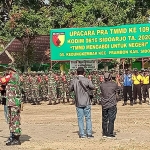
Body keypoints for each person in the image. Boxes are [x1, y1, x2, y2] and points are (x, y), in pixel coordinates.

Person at [69, 67, 95, 138]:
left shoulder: (74, 81)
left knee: (80, 118)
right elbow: (93, 87)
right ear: (84, 73)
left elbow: (70, 89)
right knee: (88, 118)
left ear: (77, 73)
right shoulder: (87, 80)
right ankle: (89, 133)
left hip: (78, 102)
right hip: (87, 101)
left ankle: (82, 134)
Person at [0, 66, 22, 145]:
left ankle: (16, 139)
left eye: (8, 70)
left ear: (12, 70)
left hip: (13, 102)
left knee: (14, 120)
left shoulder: (12, 76)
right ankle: (13, 137)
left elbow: (2, 80)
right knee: (12, 120)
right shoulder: (16, 77)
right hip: (12, 102)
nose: (7, 71)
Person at [100, 72, 121, 138]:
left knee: (104, 119)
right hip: (112, 104)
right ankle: (110, 133)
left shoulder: (102, 85)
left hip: (104, 104)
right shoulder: (114, 84)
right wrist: (117, 80)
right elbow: (120, 89)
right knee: (111, 119)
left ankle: (104, 133)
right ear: (110, 78)